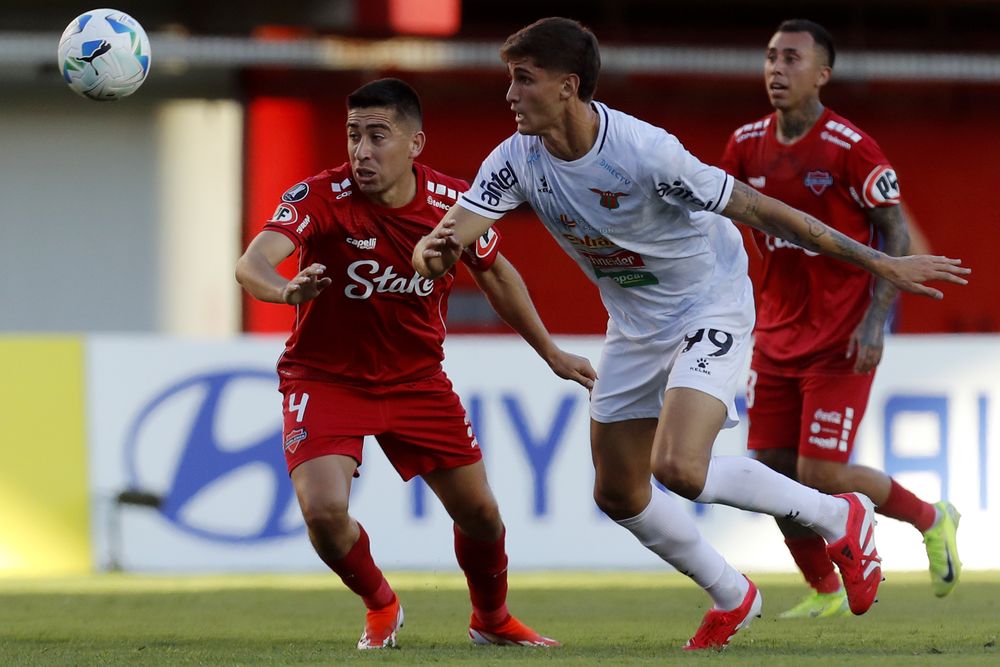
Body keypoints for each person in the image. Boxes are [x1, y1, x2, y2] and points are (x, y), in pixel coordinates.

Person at [411, 17, 969, 651]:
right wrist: (432, 250)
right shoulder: (514, 159)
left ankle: (839, 516)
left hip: (711, 302)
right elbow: (455, 229)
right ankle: (732, 593)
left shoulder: (645, 153)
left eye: (523, 79)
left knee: (678, 466)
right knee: (618, 492)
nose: (509, 94)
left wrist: (879, 263)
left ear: (567, 87)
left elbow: (763, 211)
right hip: (634, 321)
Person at [235, 78, 596, 650]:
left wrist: (550, 351)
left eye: (378, 136)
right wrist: (284, 292)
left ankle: (492, 619)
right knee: (325, 513)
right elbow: (253, 261)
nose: (361, 151)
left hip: (416, 383)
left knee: (481, 515)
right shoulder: (319, 197)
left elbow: (497, 274)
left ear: (416, 143)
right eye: (353, 136)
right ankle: (381, 605)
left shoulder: (452, 207)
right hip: (325, 379)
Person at [718, 19, 961, 619]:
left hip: (841, 333)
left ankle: (932, 519)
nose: (777, 68)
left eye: (792, 59)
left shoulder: (852, 148)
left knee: (818, 470)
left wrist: (877, 321)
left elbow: (896, 232)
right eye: (771, 57)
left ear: (822, 74)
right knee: (770, 473)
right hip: (774, 335)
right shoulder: (745, 144)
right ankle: (823, 587)